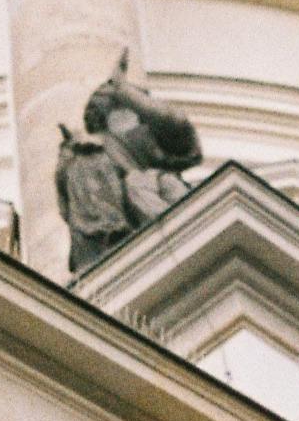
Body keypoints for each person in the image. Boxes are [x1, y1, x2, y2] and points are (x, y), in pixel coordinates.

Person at [55, 60, 202, 272]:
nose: (145, 127)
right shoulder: (88, 162)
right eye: (137, 117)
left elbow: (176, 124)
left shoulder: (158, 175)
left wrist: (122, 90)